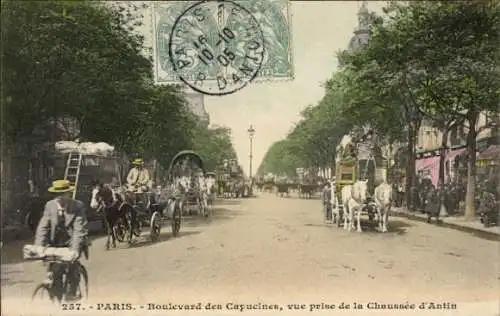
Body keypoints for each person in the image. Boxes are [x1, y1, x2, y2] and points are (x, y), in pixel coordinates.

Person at [34, 179, 88, 301]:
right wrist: (38, 246)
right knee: (54, 271)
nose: (60, 198)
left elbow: (79, 230)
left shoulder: (78, 206)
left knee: (71, 265)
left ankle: (72, 293)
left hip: (72, 241)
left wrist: (74, 250)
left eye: (63, 194)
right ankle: (56, 297)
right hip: (55, 242)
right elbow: (43, 227)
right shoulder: (50, 205)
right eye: (57, 194)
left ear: (68, 194)